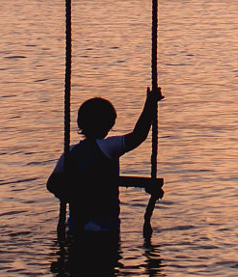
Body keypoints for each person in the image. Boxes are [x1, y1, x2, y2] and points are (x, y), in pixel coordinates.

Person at [48, 87, 162, 238]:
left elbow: (52, 184)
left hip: (77, 226)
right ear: (110, 124)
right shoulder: (107, 147)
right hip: (104, 228)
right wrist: (150, 104)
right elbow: (138, 136)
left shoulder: (70, 153)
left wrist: (74, 195)